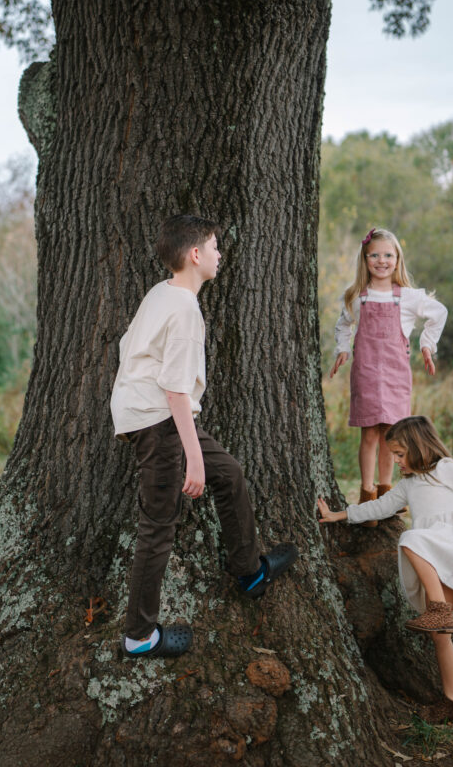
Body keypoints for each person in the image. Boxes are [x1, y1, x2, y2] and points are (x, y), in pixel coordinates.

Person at [111, 214, 298, 658]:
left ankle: (249, 571)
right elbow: (176, 389)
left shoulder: (163, 292)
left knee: (229, 473)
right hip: (158, 421)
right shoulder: (184, 311)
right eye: (214, 247)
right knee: (157, 527)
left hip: (160, 415)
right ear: (195, 255)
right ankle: (139, 636)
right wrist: (192, 460)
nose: (219, 254)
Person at [318, 414, 453, 723]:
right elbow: (378, 506)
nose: (396, 462)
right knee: (441, 636)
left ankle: (438, 609)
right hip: (432, 554)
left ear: (419, 447)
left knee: (409, 538)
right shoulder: (409, 484)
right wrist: (340, 515)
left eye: (400, 455)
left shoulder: (445, 469)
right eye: (394, 455)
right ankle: (452, 700)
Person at [329, 227, 447, 523]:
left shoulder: (407, 297)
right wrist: (342, 349)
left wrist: (427, 345)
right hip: (366, 372)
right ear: (365, 258)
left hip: (395, 375)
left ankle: (386, 495)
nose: (381, 260)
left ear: (397, 259)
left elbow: (439, 313)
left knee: (390, 435)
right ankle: (367, 495)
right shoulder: (357, 295)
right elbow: (344, 325)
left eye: (388, 255)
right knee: (369, 432)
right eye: (375, 255)